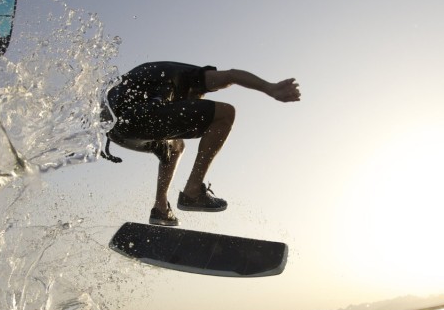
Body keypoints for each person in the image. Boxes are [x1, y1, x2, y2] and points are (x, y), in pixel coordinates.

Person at [102, 61, 301, 226]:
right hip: (140, 118)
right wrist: (270, 88)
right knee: (225, 114)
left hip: (115, 132)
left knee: (176, 146)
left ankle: (160, 208)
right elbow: (232, 75)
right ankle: (193, 191)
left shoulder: (152, 76)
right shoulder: (191, 76)